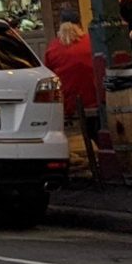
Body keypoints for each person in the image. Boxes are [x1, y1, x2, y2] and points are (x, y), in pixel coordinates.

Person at [42, 17, 105, 173]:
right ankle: (103, 152)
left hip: (68, 104)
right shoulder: (91, 43)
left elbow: (48, 75)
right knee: (95, 124)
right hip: (93, 99)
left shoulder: (53, 48)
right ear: (80, 25)